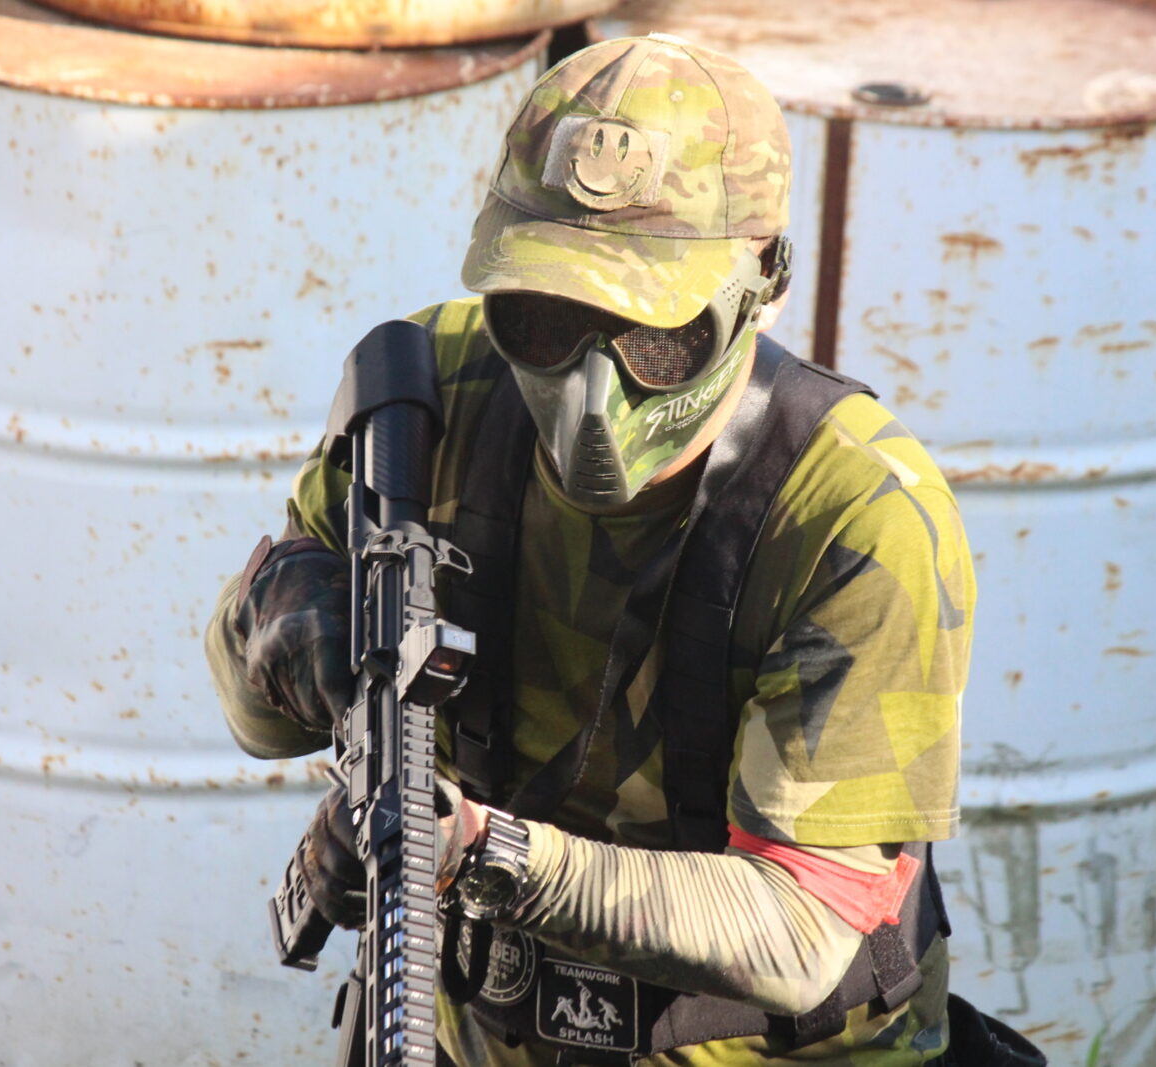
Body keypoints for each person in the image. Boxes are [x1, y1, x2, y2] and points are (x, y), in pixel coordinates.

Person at [206, 34, 986, 1066]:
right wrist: (290, 626)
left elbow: (803, 928)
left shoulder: (854, 514)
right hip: (471, 1030)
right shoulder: (432, 395)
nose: (590, 394)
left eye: (657, 339)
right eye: (542, 321)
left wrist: (481, 850)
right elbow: (252, 715)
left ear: (763, 282)